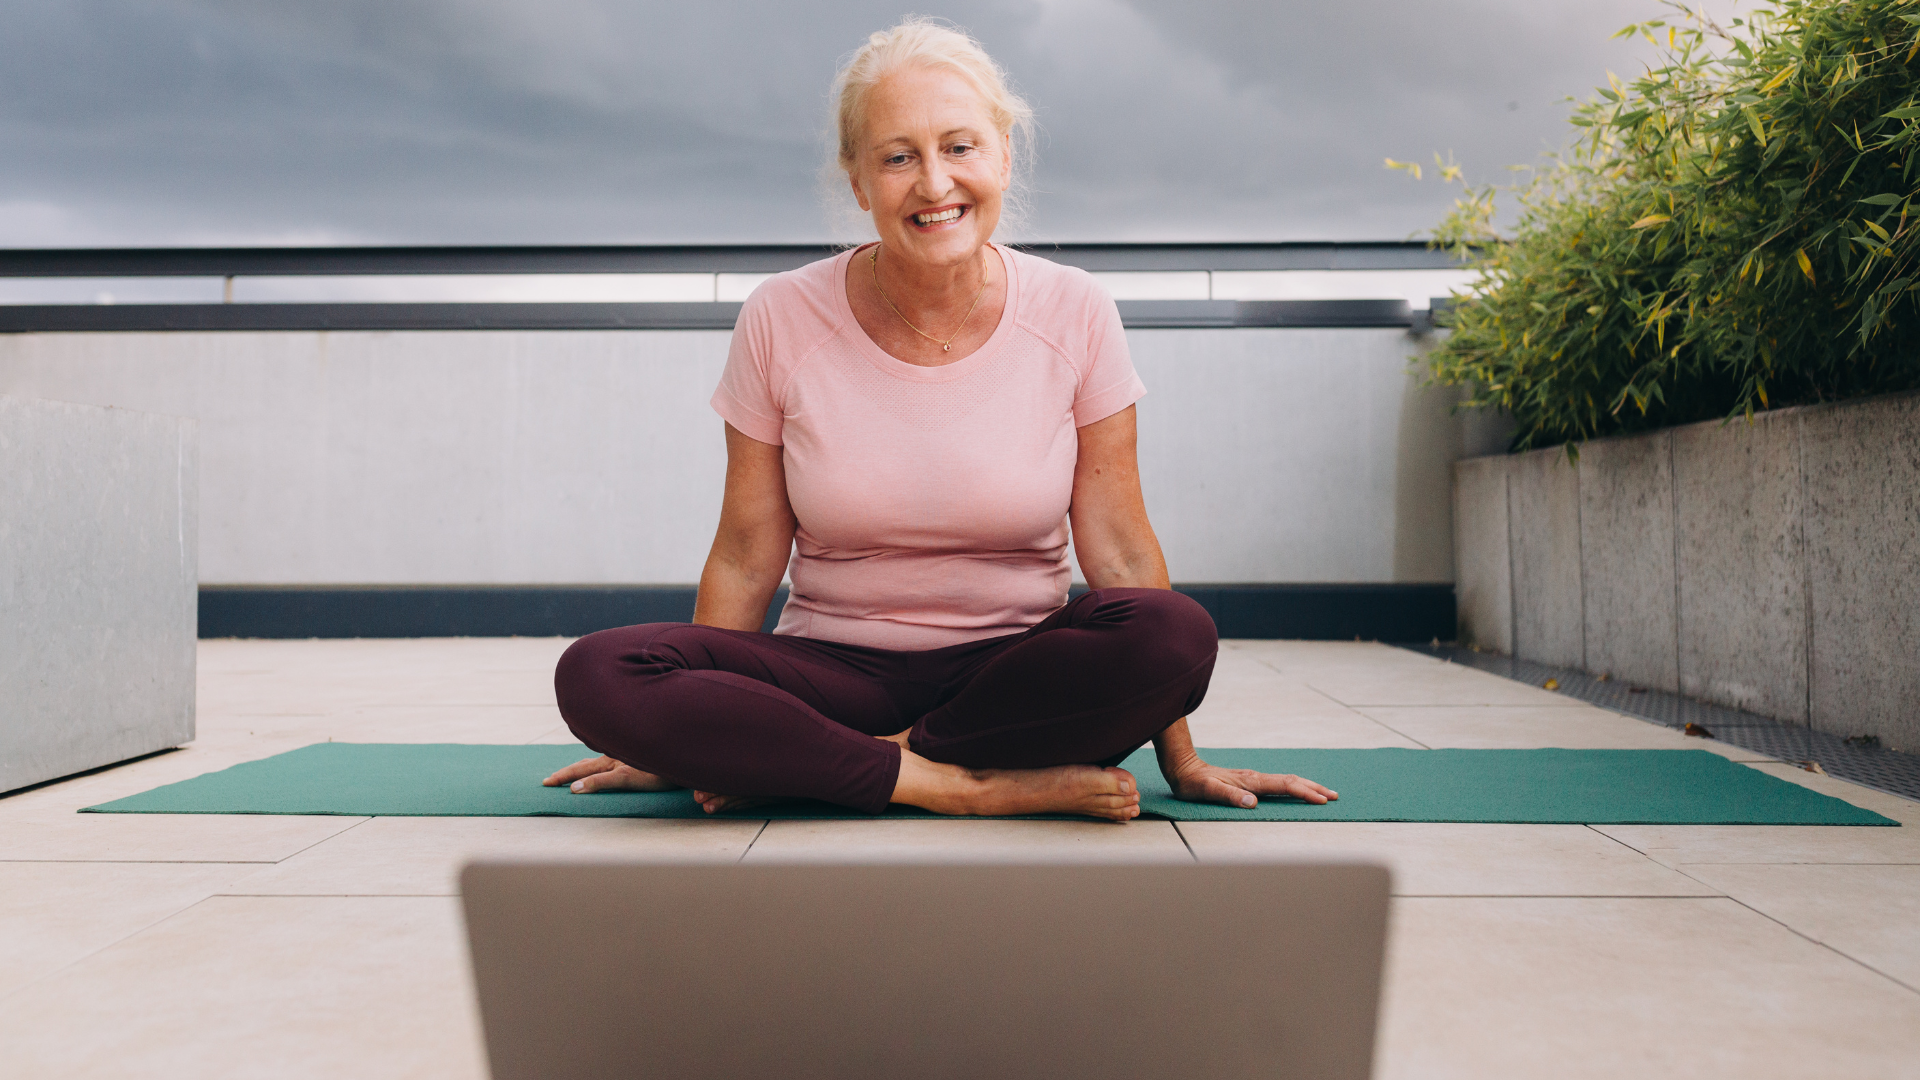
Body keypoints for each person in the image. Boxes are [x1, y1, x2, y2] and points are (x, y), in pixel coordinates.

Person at [544, 19, 1336, 821]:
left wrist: (1184, 757)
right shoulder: (780, 316)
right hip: (833, 677)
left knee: (1174, 632)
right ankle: (961, 786)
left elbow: (1124, 555)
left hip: (1015, 684)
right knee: (599, 671)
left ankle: (840, 768)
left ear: (1002, 155)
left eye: (959, 147)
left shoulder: (1077, 311)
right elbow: (748, 557)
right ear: (857, 181)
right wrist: (677, 741)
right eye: (898, 157)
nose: (933, 184)